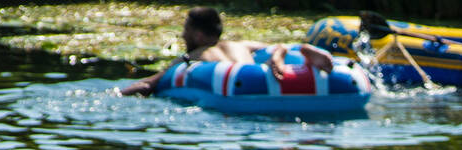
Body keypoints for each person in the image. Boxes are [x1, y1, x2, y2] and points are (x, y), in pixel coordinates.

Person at [120, 6, 334, 97]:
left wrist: (118, 93)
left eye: (186, 30)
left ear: (199, 36)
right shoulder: (241, 45)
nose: (182, 36)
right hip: (259, 77)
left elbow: (149, 83)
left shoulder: (192, 57)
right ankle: (307, 51)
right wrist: (277, 57)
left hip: (235, 88)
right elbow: (280, 46)